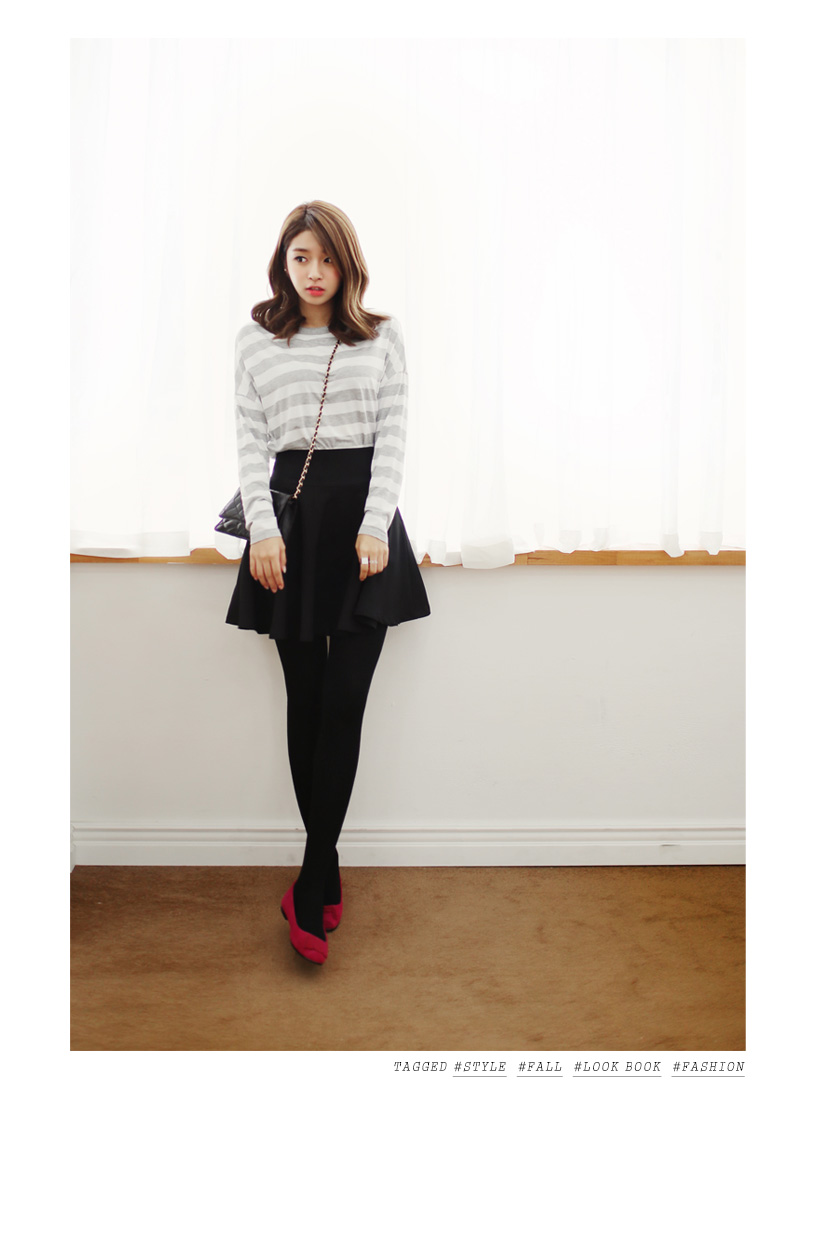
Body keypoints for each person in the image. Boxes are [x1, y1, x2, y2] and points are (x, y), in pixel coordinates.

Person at [225, 200, 431, 965]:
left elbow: (394, 438)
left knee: (344, 704)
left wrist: (375, 525)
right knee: (307, 702)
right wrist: (263, 531)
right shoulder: (256, 341)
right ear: (283, 263)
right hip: (290, 529)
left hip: (363, 528)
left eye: (327, 258)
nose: (314, 272)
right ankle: (325, 866)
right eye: (300, 257)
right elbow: (250, 442)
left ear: (348, 263)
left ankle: (311, 877)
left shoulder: (382, 337)